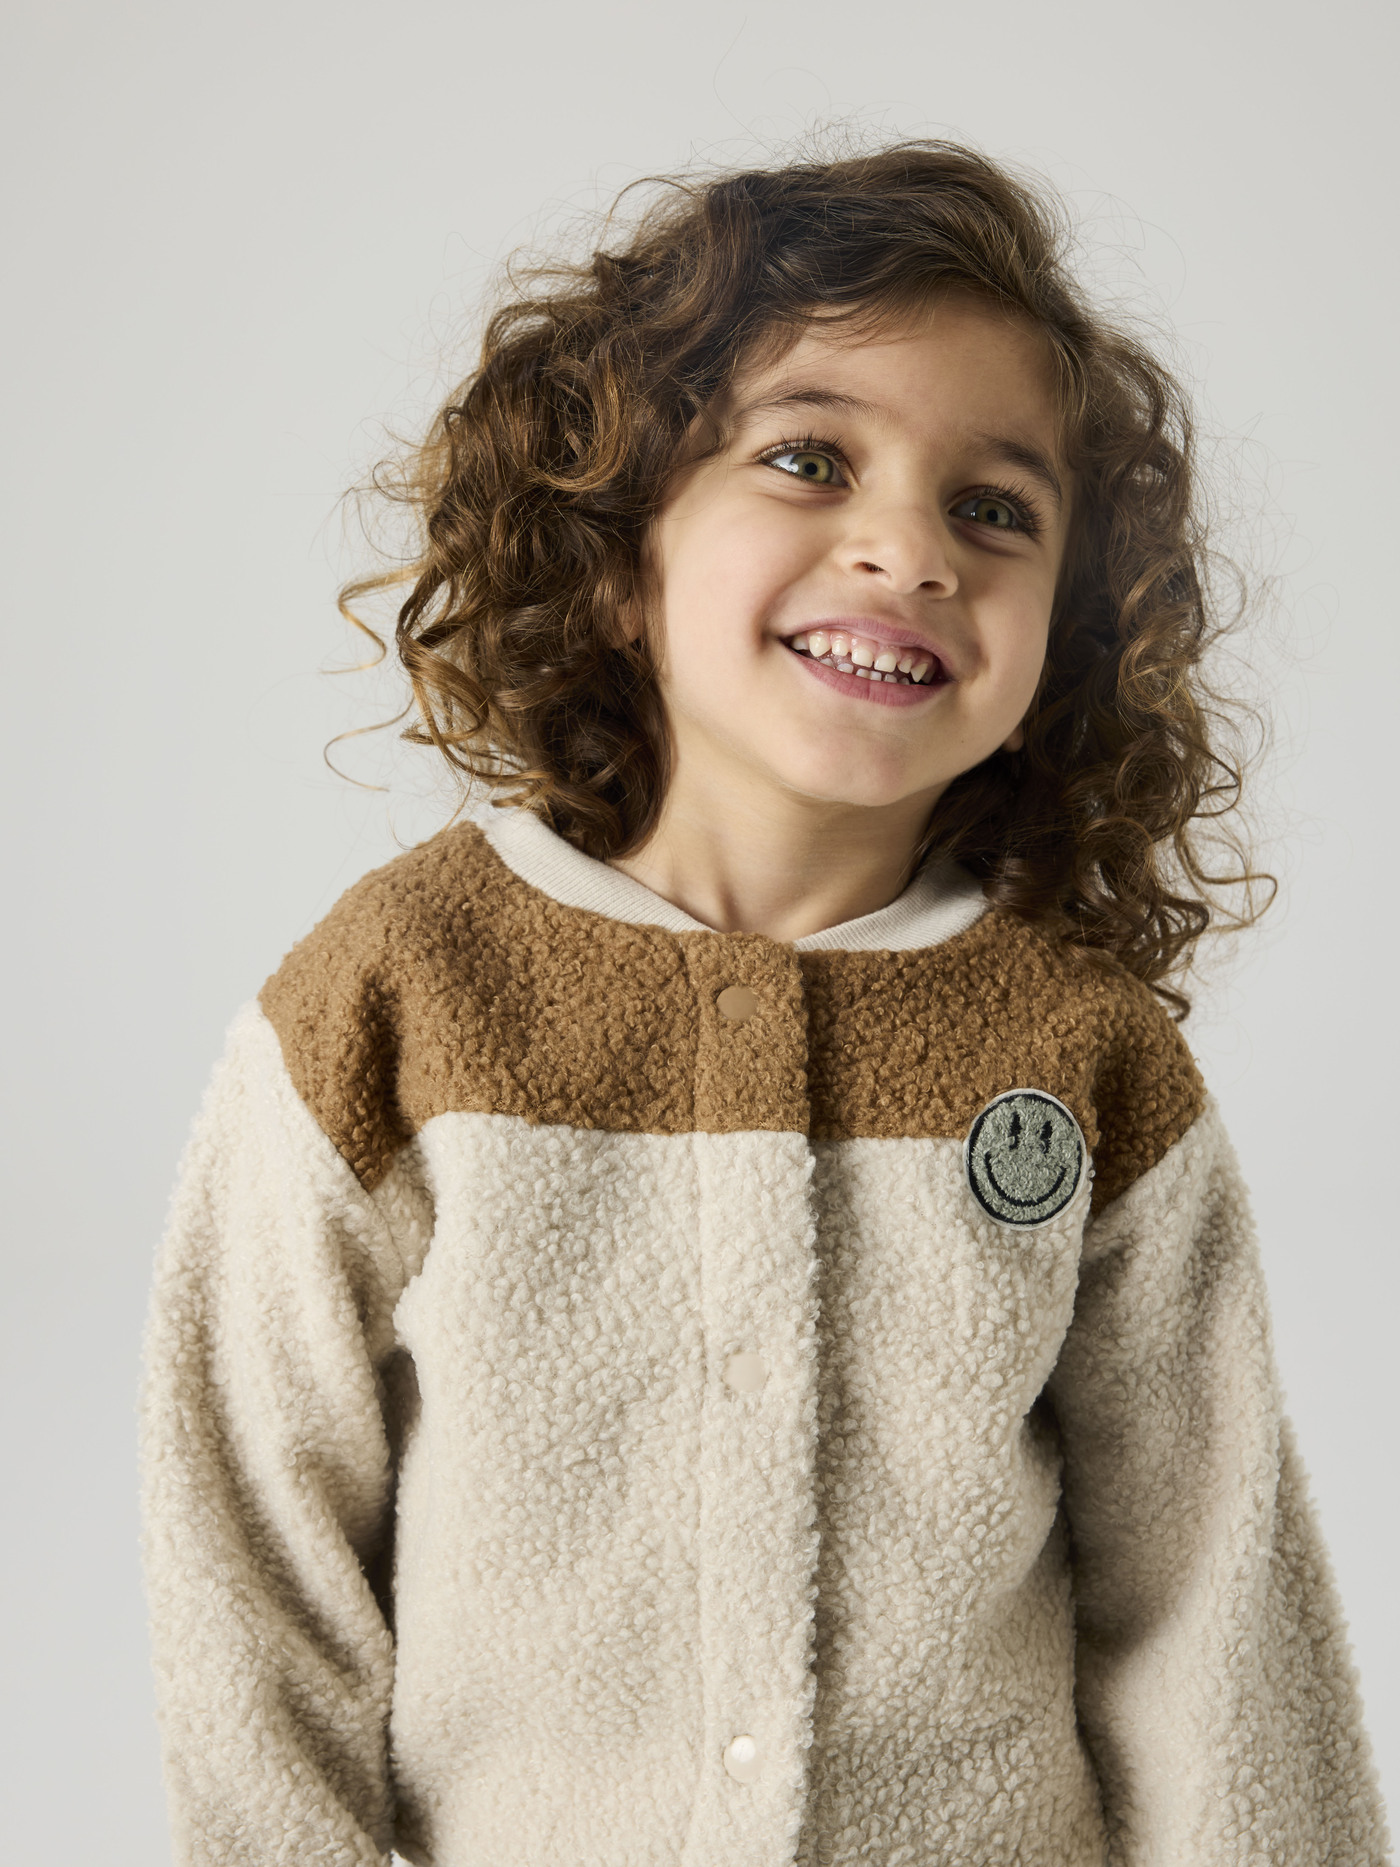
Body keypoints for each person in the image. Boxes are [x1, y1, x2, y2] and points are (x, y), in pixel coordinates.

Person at [138, 142, 1391, 1866]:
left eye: (996, 509)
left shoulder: (1082, 1049)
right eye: (810, 459)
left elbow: (1213, 1591)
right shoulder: (398, 995)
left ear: (1067, 644)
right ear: (620, 550)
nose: (909, 549)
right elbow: (250, 1568)